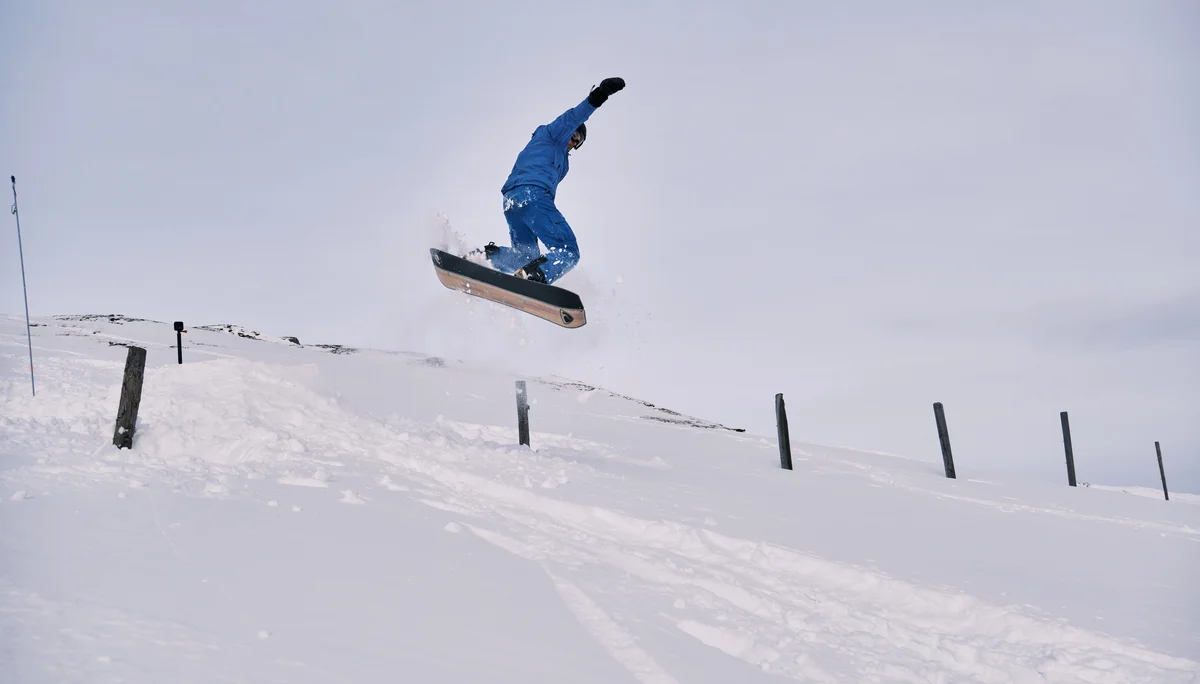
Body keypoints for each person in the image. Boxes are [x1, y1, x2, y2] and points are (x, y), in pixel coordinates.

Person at [478, 77, 626, 285]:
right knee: (567, 250)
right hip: (532, 195)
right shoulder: (551, 134)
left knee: (527, 257)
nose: (573, 141)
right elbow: (575, 116)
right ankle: (536, 276)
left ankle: (483, 259)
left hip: (513, 201)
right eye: (573, 135)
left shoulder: (562, 163)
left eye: (578, 141)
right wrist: (600, 95)